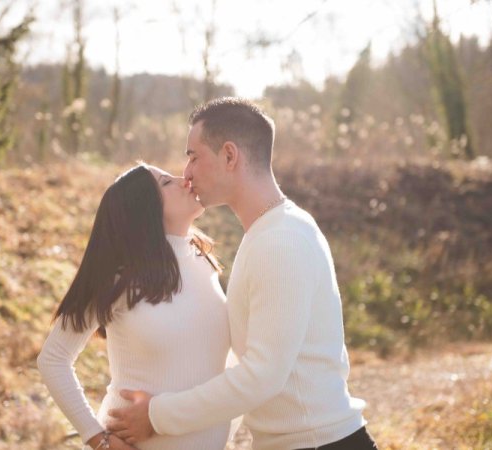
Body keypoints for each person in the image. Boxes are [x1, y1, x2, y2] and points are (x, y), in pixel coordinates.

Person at [107, 98, 378, 450]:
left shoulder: (280, 241)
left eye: (193, 156)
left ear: (230, 156)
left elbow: (261, 376)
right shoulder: (270, 232)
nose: (186, 173)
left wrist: (156, 417)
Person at [36, 164, 232, 450]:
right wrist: (98, 439)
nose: (184, 179)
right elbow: (53, 359)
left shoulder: (203, 261)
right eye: (166, 182)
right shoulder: (119, 277)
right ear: (146, 211)